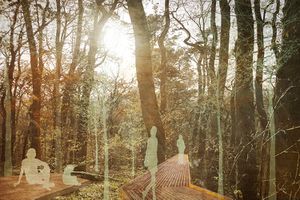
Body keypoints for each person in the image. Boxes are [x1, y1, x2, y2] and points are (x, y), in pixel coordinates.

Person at [142, 126, 158, 200]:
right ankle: (153, 195)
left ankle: (146, 192)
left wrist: (156, 160)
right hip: (150, 161)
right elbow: (148, 151)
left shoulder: (156, 140)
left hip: (154, 161)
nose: (153, 132)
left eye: (154, 131)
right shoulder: (150, 140)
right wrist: (146, 161)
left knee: (153, 180)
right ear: (151, 132)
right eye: (152, 131)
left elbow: (155, 151)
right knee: (153, 179)